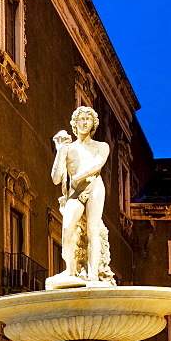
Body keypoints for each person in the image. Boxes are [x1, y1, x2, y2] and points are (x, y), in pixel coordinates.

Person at [49, 106, 110, 286]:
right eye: (81, 119)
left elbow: (97, 165)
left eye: (88, 119)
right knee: (67, 229)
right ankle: (70, 270)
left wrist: (77, 177)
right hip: (74, 193)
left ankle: (92, 275)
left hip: (94, 186)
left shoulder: (101, 146)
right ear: (74, 123)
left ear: (93, 124)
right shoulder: (68, 149)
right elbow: (56, 178)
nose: (84, 122)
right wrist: (60, 151)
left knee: (93, 230)